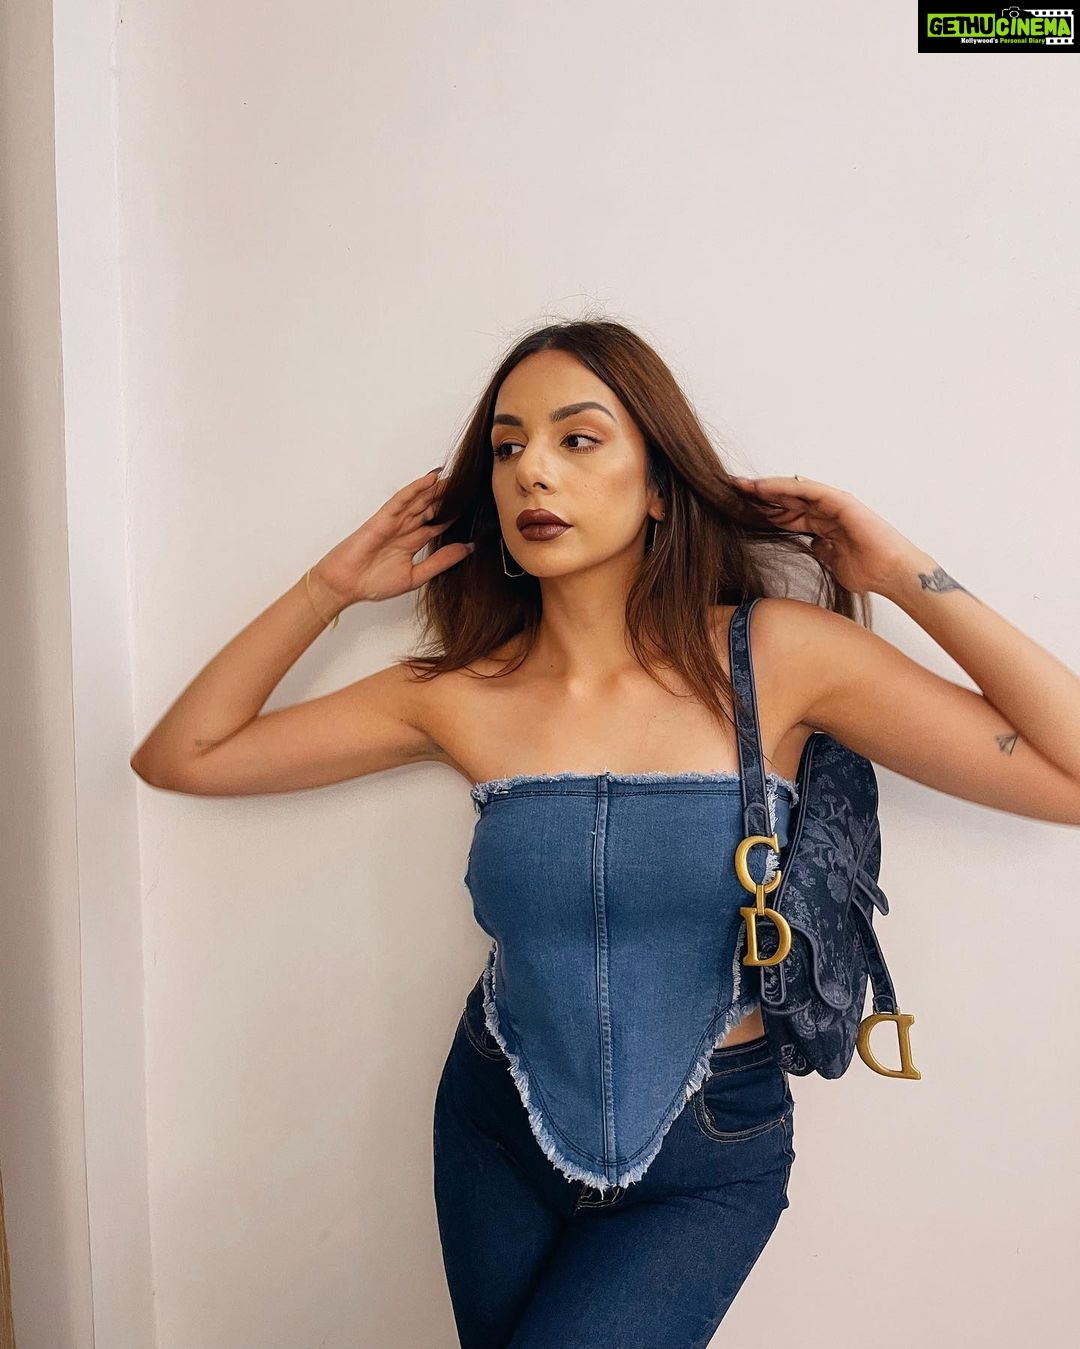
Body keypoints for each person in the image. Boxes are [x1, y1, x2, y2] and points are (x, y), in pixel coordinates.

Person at [130, 320, 1080, 1349]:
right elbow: (186, 753)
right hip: (495, 1128)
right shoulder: (458, 692)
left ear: (659, 485)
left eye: (577, 439)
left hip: (706, 1156)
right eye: (507, 446)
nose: (532, 470)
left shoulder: (778, 656)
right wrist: (331, 587)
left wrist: (896, 569)